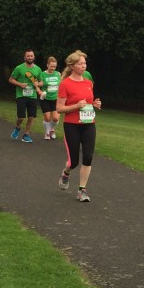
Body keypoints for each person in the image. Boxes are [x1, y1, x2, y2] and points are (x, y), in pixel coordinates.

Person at [57, 50, 102, 202]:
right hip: (72, 125)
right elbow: (59, 108)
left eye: (85, 63)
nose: (84, 66)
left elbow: (88, 101)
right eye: (80, 63)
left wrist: (94, 104)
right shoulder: (65, 84)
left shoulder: (88, 82)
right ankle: (66, 173)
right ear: (72, 66)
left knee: (88, 157)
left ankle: (82, 190)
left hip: (89, 124)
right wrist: (76, 105)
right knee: (73, 162)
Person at [8, 49, 44, 143]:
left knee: (31, 117)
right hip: (21, 95)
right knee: (21, 117)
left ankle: (26, 135)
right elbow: (11, 79)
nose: (30, 57)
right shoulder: (19, 68)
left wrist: (37, 84)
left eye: (31, 56)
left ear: (34, 57)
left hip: (32, 95)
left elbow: (41, 82)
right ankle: (17, 127)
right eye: (28, 56)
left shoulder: (38, 69)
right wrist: (20, 84)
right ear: (25, 57)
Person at [39, 55, 61, 139]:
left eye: (54, 66)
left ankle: (52, 129)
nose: (53, 68)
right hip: (45, 99)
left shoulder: (58, 74)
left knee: (55, 118)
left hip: (55, 99)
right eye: (51, 66)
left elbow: (61, 85)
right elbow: (39, 84)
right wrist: (40, 91)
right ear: (47, 65)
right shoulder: (42, 74)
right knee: (47, 118)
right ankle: (47, 133)